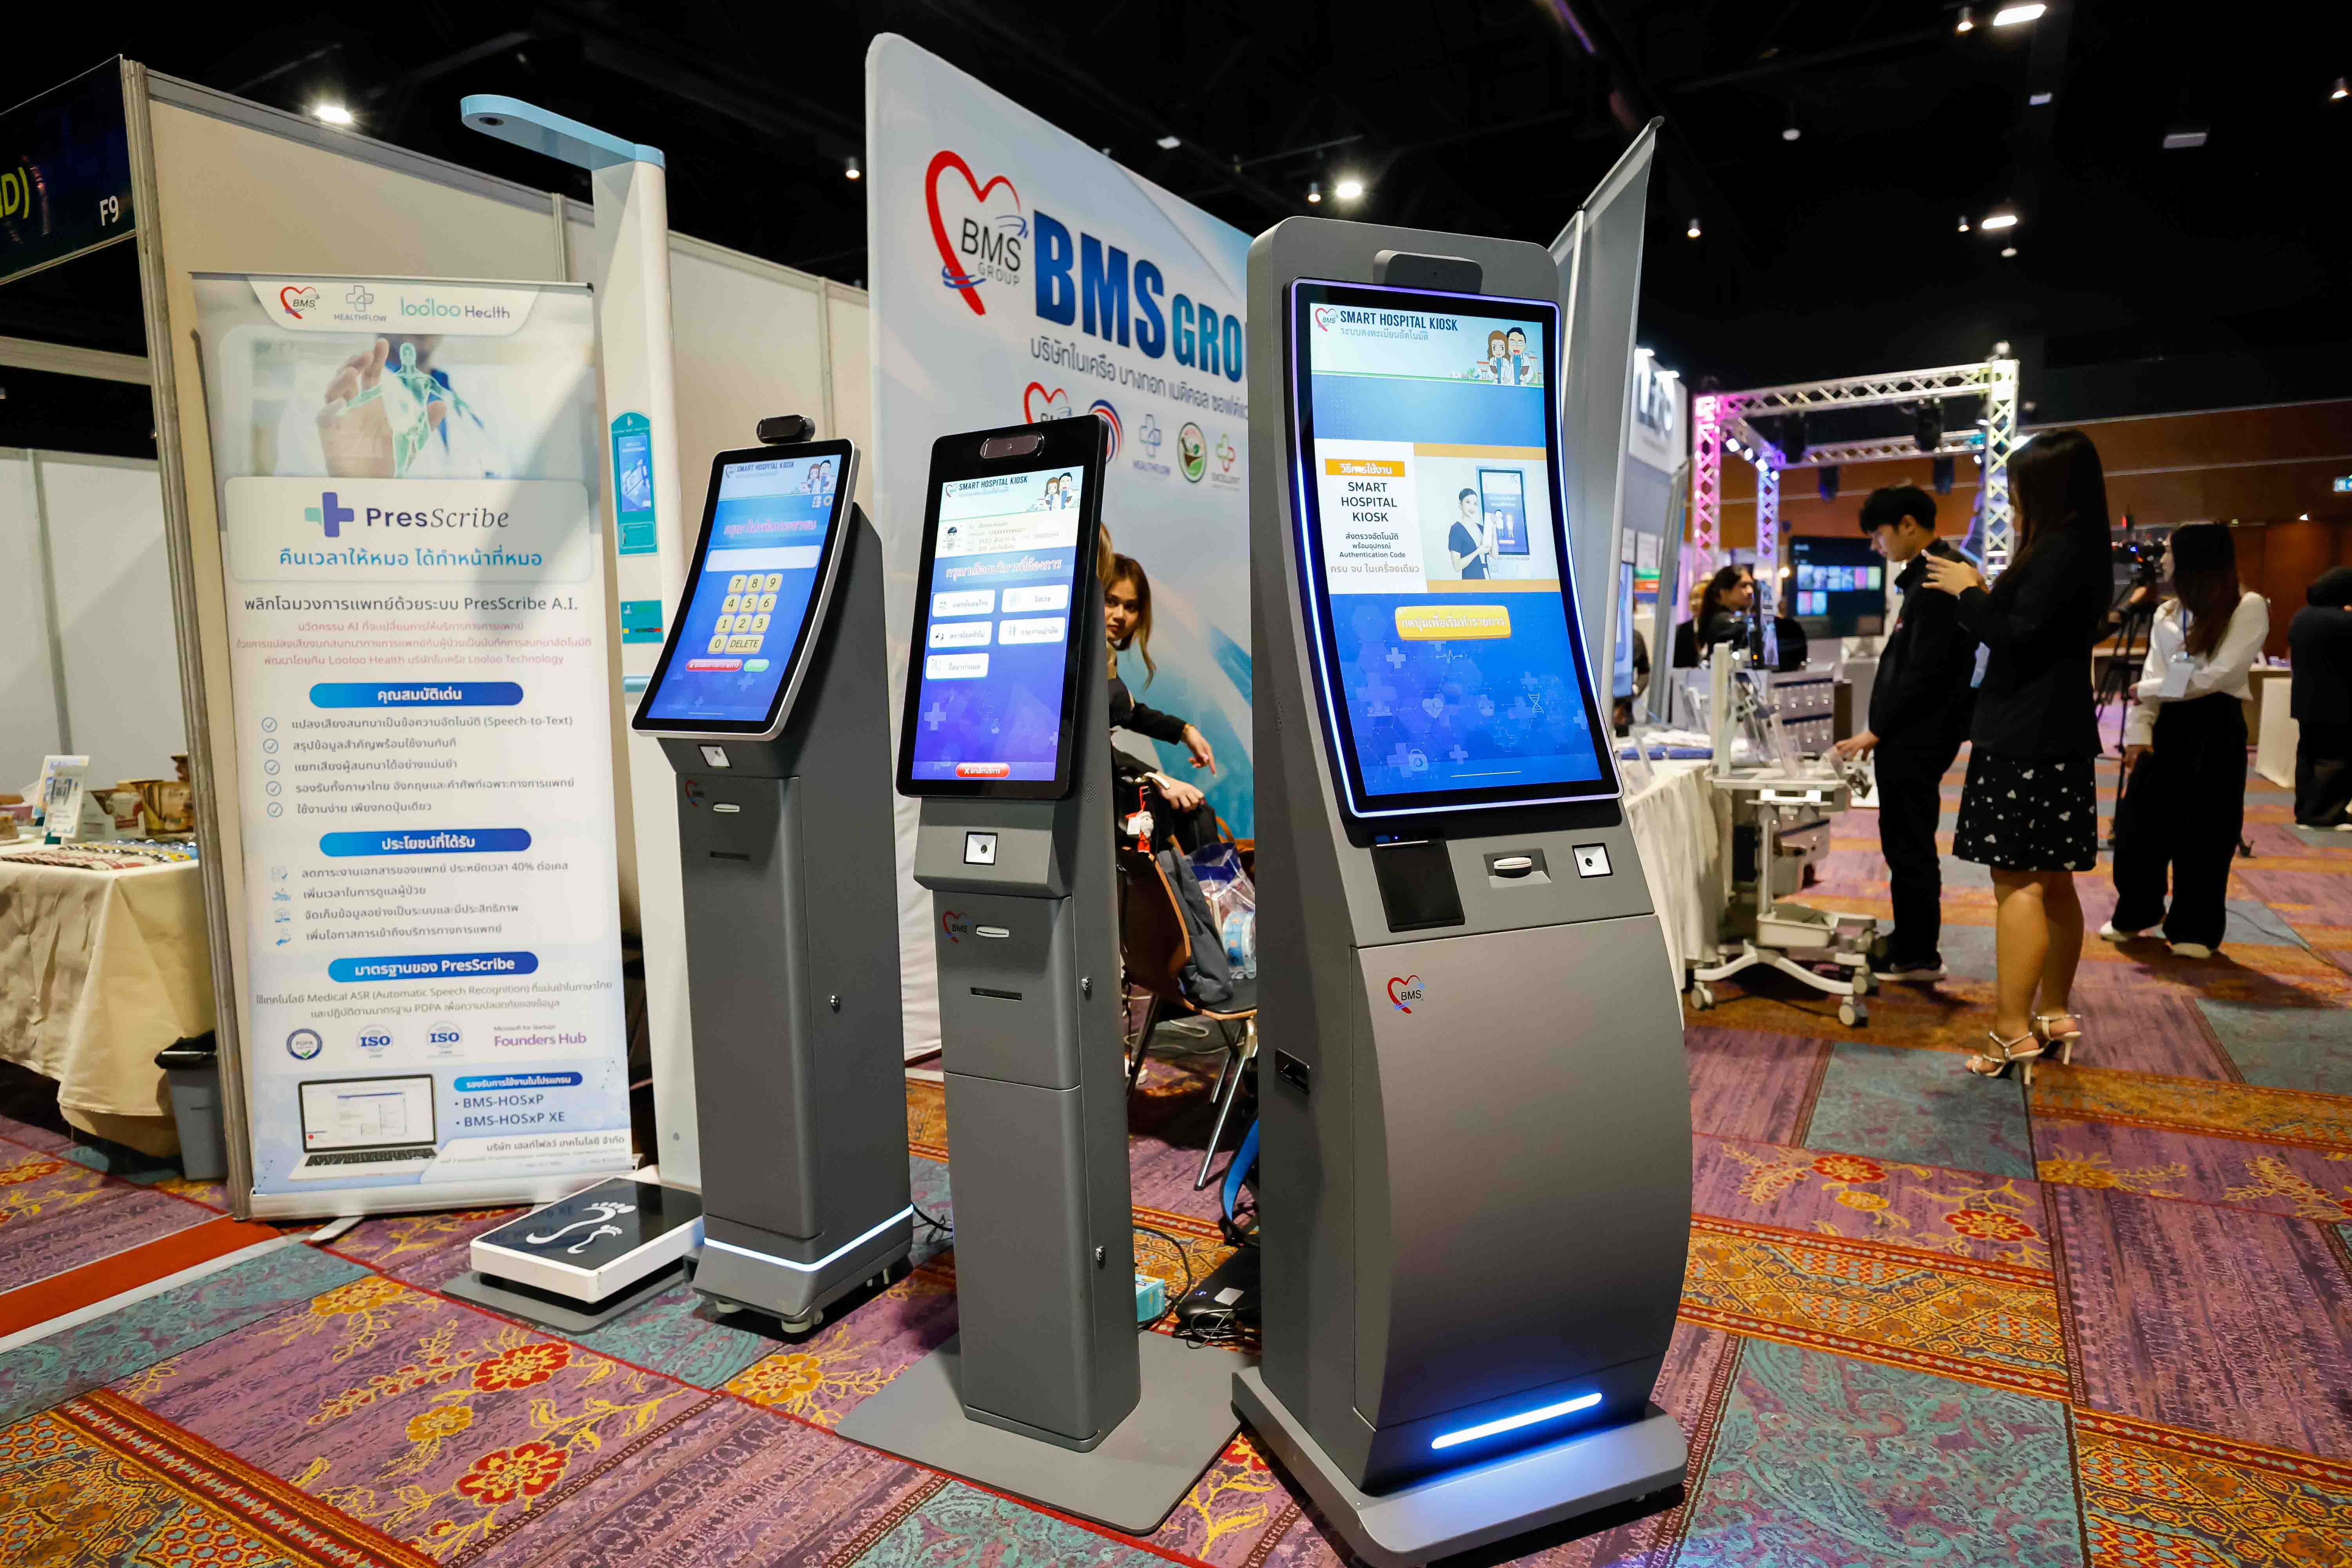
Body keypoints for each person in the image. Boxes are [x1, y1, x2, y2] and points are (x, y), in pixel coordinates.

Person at [1919, 428, 2114, 1083]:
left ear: (2047, 487)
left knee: (2019, 884)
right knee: (2053, 881)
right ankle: (2052, 1013)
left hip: (2023, 737)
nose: (2011, 497)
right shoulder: (2081, 548)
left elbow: (2015, 639)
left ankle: (2010, 1031)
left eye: (2019, 485)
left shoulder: (2056, 551)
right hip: (2058, 734)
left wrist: (1968, 592)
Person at [2101, 524, 2269, 956]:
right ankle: (2138, 910)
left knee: (2208, 829)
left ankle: (2195, 926)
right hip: (2167, 724)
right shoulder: (2167, 613)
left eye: (2171, 552)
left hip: (2216, 725)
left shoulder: (2247, 606)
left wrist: (2149, 689)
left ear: (2197, 559)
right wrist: (2139, 732)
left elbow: (2220, 676)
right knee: (2139, 827)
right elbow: (2156, 674)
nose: (2163, 560)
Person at [1833, 486, 1979, 981]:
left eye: (1879, 534)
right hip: (1916, 734)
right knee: (1904, 842)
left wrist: (1875, 731)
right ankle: (1910, 940)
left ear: (1909, 525)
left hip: (1918, 736)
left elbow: (1923, 671)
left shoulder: (1939, 577)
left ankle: (1918, 954)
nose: (1877, 545)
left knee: (1909, 844)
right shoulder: (1927, 575)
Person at [1103, 553, 1220, 849]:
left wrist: (1185, 731)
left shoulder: (1105, 656)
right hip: (1092, 792)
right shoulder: (1077, 658)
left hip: (1108, 781)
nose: (1120, 615)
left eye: (1131, 607)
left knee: (1195, 810)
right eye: (1111, 602)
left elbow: (1130, 712)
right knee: (1191, 813)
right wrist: (1158, 778)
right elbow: (1089, 746)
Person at [2290, 566, 2352, 828]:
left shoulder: (2302, 617)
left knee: (2308, 756)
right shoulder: (2344, 621)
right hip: (2339, 702)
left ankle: (2306, 810)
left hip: (2306, 700)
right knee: (2335, 759)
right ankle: (2325, 814)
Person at [1673, 564, 1756, 668]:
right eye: (1743, 586)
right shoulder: (1727, 624)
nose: (1750, 591)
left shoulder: (1716, 619)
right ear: (1724, 592)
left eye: (1751, 586)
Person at [1447, 489, 1494, 579]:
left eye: (1475, 504)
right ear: (1460, 504)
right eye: (1468, 502)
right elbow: (1457, 566)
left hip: (1487, 578)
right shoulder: (1456, 529)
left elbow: (1494, 555)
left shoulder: (1481, 528)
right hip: (1471, 580)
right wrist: (1478, 551)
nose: (1472, 507)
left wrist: (1494, 528)